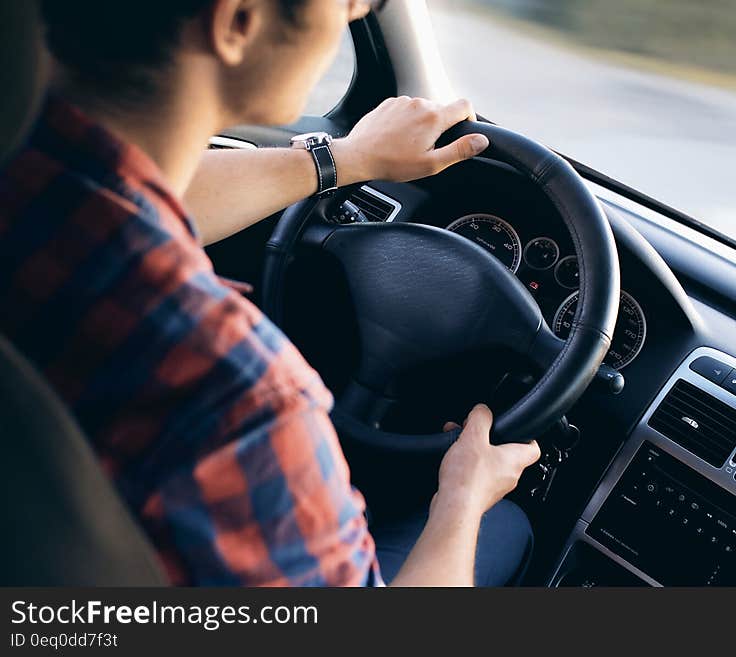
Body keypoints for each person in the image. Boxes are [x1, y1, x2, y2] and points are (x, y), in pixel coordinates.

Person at [0, 0, 541, 586]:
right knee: (505, 527)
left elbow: (136, 199)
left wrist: (349, 158)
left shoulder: (30, 179)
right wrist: (462, 496)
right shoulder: (235, 397)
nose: (356, 10)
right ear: (238, 21)